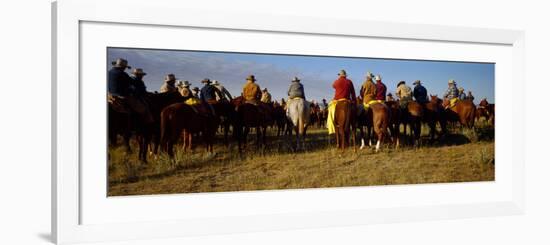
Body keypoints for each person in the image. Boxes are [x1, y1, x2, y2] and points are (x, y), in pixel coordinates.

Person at [107, 58, 153, 123]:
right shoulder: (123, 74)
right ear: (123, 67)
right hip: (122, 96)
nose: (125, 69)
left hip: (110, 95)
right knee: (143, 109)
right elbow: (131, 85)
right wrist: (136, 91)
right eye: (124, 67)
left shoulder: (109, 72)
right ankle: (146, 123)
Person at [327, 70, 356, 135]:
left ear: (340, 75)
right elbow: (353, 93)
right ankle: (354, 124)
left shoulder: (337, 81)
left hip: (338, 100)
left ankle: (331, 125)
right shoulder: (349, 81)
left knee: (330, 109)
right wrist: (354, 101)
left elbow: (333, 86)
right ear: (345, 75)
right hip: (347, 100)